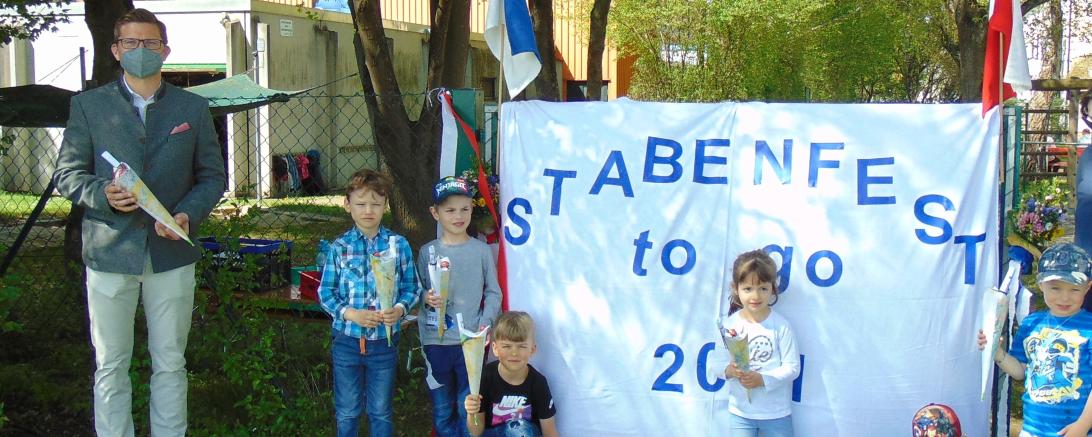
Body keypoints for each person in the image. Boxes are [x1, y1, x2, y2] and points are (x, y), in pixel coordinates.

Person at [51, 8, 226, 436]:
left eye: (150, 43)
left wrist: (187, 212)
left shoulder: (193, 106)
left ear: (165, 50)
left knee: (170, 362)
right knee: (111, 363)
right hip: (110, 253)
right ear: (116, 50)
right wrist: (101, 195)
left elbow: (213, 176)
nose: (141, 50)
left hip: (171, 252)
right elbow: (67, 174)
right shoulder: (89, 106)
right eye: (131, 42)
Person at [317, 169, 421, 437]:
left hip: (384, 343)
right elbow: (325, 293)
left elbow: (413, 288)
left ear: (385, 206)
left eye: (376, 204)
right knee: (348, 410)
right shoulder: (339, 247)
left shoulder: (398, 245)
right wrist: (351, 314)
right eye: (361, 204)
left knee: (380, 411)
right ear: (347, 205)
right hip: (347, 341)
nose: (368, 210)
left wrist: (399, 310)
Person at [979, 242, 1092, 437]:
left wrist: (1082, 426)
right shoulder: (1032, 324)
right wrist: (996, 353)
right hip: (1032, 430)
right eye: (1055, 288)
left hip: (1075, 430)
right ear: (1041, 284)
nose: (1064, 297)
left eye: (1074, 289)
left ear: (1087, 287)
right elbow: (1020, 372)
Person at [418, 176, 502, 437]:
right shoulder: (427, 252)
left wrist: (484, 324)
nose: (458, 216)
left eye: (464, 209)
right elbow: (416, 292)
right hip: (436, 342)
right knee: (442, 409)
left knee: (469, 407)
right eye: (450, 210)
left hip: (471, 344)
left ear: (472, 209)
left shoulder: (480, 250)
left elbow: (493, 292)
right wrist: (425, 298)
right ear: (435, 213)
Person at [720, 249, 800, 437]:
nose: (755, 296)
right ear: (736, 288)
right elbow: (714, 363)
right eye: (748, 288)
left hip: (776, 414)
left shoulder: (781, 326)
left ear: (773, 288)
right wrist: (729, 371)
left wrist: (762, 379)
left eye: (763, 288)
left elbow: (792, 367)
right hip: (740, 414)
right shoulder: (729, 324)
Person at [464, 311, 558, 437]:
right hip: (492, 433)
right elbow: (475, 432)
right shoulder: (484, 376)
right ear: (495, 349)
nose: (514, 353)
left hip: (523, 433)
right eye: (507, 346)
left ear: (532, 350)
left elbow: (549, 432)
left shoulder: (538, 382)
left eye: (522, 346)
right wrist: (471, 413)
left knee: (518, 429)